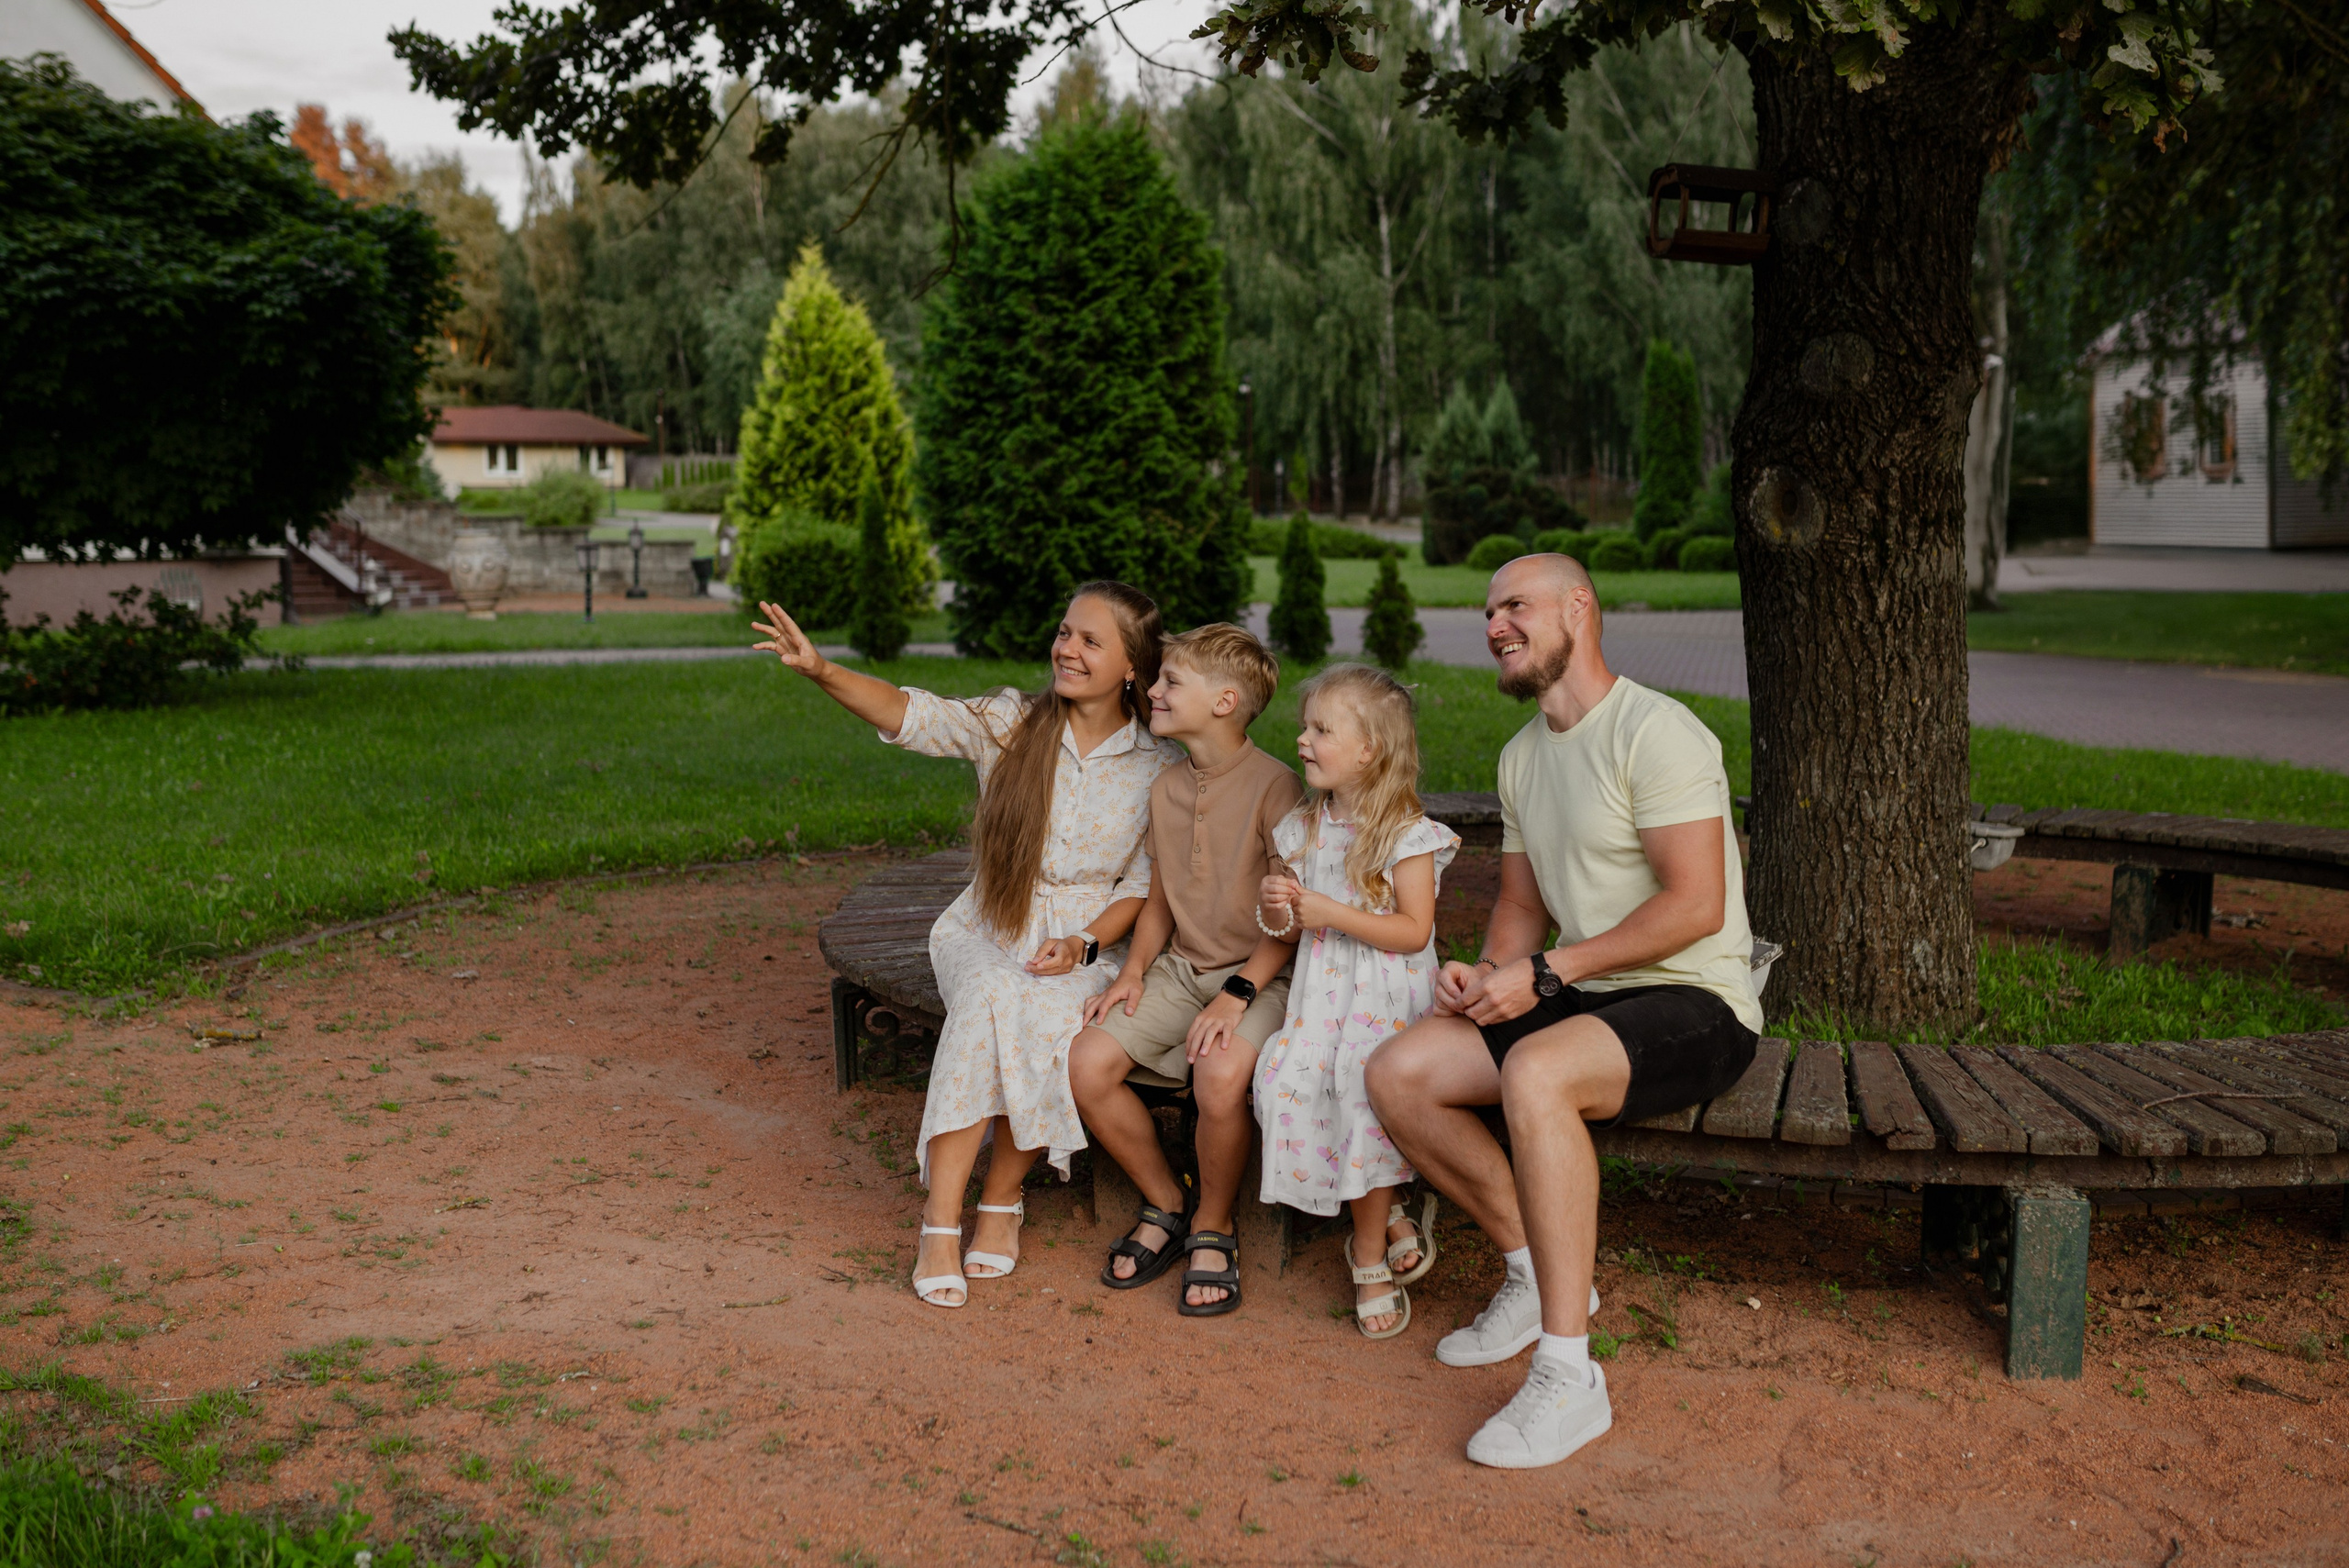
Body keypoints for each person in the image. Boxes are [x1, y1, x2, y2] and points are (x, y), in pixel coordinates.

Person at [1366, 553, 1761, 1467]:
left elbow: (1695, 903)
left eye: (1516, 606)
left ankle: (1568, 1373)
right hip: (1584, 993)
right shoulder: (1520, 756)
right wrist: (1490, 972)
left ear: (1578, 609)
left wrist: (1546, 971)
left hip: (1697, 999)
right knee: (1400, 1071)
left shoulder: (1657, 731)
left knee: (1536, 1071)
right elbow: (1518, 906)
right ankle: (1528, 1269)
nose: (1495, 624)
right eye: (1488, 611)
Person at [751, 584, 1182, 1310]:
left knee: (1045, 1014)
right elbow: (913, 713)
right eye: (1065, 631)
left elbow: (1140, 887)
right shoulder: (1011, 722)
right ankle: (940, 1224)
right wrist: (823, 670)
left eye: (1091, 641)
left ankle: (1002, 1200)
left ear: (1134, 667)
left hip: (1082, 946)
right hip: (987, 926)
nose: (1067, 649)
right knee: (991, 994)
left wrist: (1082, 944)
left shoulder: (1157, 766)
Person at [1068, 623, 1300, 1316]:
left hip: (1264, 973)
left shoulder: (1278, 788)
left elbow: (1292, 920)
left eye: (1171, 681)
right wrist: (1134, 970)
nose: (1153, 689)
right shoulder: (1167, 788)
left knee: (1221, 1073)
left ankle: (1214, 1223)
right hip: (1180, 967)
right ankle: (1168, 1200)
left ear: (1225, 701)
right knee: (1087, 1062)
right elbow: (1162, 897)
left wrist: (1238, 992)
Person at [1252, 663, 1459, 1340]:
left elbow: (1413, 930)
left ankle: (1366, 1254)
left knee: (1362, 1093)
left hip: (1387, 1002)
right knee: (1291, 1082)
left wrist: (1330, 911)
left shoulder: (1405, 831)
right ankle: (1390, 1209)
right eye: (1304, 726)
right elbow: (1287, 928)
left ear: (1369, 749)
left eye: (1321, 729)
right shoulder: (1302, 829)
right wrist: (1277, 906)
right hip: (1322, 1000)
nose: (1303, 739)